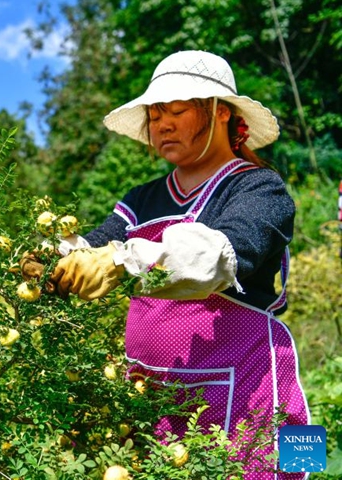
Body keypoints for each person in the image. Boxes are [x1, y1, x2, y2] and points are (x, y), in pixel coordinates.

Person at [26, 50, 310, 479]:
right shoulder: (141, 199)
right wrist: (56, 257)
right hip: (153, 391)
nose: (163, 124)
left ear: (220, 113)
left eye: (177, 110)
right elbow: (99, 243)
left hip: (249, 382)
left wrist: (124, 262)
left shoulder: (259, 188)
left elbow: (217, 255)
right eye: (155, 115)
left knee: (292, 469)